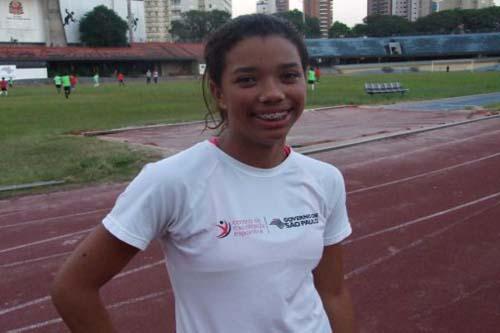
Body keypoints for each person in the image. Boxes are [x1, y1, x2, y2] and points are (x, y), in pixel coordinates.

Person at [51, 14, 356, 333]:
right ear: (218, 92)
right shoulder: (172, 180)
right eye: (248, 80)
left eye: (289, 75)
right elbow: (73, 288)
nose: (273, 93)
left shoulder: (325, 179)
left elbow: (332, 292)